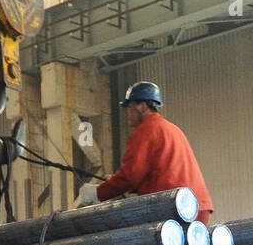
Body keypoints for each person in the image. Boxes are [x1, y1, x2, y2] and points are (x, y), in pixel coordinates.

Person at [77, 81, 214, 224]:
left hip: (173, 208)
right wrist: (117, 183)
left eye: (129, 107)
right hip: (197, 207)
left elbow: (130, 176)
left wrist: (97, 193)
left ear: (142, 107)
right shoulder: (171, 129)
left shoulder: (146, 130)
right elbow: (158, 171)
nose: (127, 113)